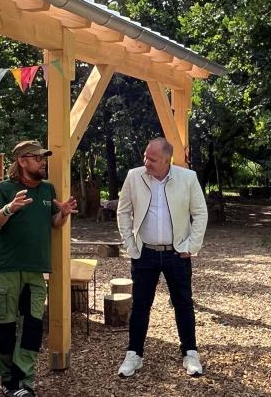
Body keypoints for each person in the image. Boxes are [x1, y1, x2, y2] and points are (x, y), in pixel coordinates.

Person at [0, 140, 77, 397]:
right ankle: (8, 382)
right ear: (22, 161)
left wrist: (64, 214)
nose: (42, 162)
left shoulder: (47, 190)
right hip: (7, 269)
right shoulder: (4, 189)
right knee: (5, 327)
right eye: (37, 158)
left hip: (36, 271)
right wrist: (10, 208)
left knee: (33, 327)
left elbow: (53, 223)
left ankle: (24, 381)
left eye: (43, 158)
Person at [115, 138, 209, 378]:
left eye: (152, 159)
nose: (146, 162)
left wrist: (191, 246)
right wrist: (130, 244)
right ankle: (134, 354)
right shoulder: (134, 176)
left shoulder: (188, 178)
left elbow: (200, 213)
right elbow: (123, 211)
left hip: (177, 253)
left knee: (183, 303)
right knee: (140, 305)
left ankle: (190, 352)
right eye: (145, 157)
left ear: (168, 160)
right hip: (144, 252)